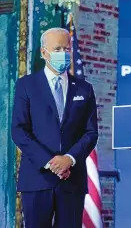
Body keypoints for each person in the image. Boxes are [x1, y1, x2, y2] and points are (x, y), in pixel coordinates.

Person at [11, 27, 98, 228]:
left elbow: (90, 132)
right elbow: (19, 130)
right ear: (44, 53)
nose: (64, 54)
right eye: (57, 48)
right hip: (37, 178)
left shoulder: (85, 89)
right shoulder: (26, 85)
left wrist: (69, 159)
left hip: (72, 180)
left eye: (67, 48)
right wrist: (51, 162)